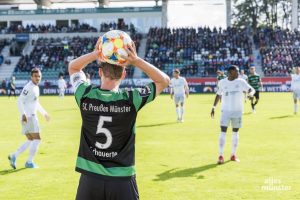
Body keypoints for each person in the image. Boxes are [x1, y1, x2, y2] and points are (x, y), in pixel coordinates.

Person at [69, 38, 169, 200]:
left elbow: (73, 67)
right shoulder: (131, 99)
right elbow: (163, 81)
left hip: (90, 179)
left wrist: (96, 54)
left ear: (100, 72)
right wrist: (135, 60)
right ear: (123, 74)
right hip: (122, 180)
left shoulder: (84, 94)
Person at [211, 65, 255, 164]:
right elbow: (218, 94)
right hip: (225, 111)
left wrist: (251, 94)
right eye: (237, 71)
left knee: (235, 132)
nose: (239, 73)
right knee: (223, 132)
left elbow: (252, 90)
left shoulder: (241, 82)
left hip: (237, 111)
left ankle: (233, 155)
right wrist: (213, 107)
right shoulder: (222, 82)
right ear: (231, 72)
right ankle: (221, 156)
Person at [8, 68, 50, 169]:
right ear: (31, 77)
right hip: (29, 117)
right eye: (35, 76)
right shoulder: (29, 87)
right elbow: (19, 100)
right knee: (37, 139)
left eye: (39, 76)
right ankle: (29, 162)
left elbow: (36, 103)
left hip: (28, 117)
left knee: (31, 140)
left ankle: (14, 155)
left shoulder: (36, 87)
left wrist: (44, 113)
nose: (38, 78)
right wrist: (23, 114)